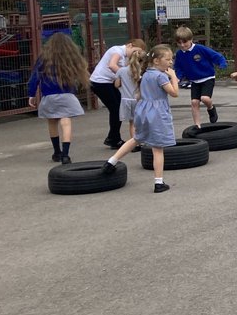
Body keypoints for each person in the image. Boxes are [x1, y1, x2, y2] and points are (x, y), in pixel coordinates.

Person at [100, 44, 179, 193]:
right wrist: (174, 77)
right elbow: (174, 93)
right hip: (158, 113)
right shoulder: (161, 76)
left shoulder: (146, 74)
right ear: (156, 61)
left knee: (136, 138)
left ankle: (111, 161)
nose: (170, 62)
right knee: (157, 149)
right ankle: (158, 182)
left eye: (171, 59)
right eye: (167, 59)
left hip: (142, 110)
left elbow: (138, 95)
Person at [27, 32, 89, 164]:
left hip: (48, 96)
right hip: (67, 95)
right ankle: (66, 155)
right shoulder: (71, 57)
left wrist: (31, 94)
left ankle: (57, 152)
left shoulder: (43, 58)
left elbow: (34, 78)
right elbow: (80, 74)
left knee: (52, 122)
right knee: (66, 123)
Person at [88, 37, 144, 149]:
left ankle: (113, 137)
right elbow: (112, 65)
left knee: (118, 107)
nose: (134, 54)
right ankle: (113, 139)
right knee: (116, 108)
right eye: (134, 51)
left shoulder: (125, 56)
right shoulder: (117, 50)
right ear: (129, 45)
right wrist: (126, 76)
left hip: (108, 82)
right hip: (100, 82)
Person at [174, 26, 228, 129]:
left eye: (184, 42)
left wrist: (222, 64)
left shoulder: (200, 49)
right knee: (194, 102)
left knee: (205, 98)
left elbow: (216, 56)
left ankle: (211, 108)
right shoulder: (180, 54)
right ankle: (197, 125)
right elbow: (179, 68)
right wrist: (177, 78)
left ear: (191, 40)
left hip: (207, 78)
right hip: (194, 81)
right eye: (179, 43)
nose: (182, 45)